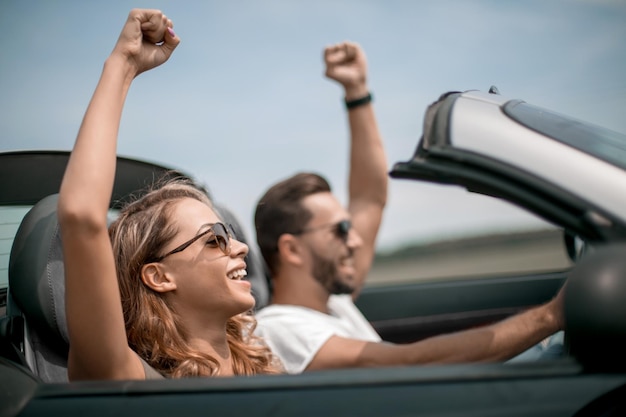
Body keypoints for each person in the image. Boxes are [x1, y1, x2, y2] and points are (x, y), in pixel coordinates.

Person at [253, 42, 566, 374]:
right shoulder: (279, 328)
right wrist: (553, 316)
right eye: (341, 230)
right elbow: (407, 363)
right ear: (292, 250)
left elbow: (369, 198)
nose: (356, 239)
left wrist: (356, 91)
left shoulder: (333, 304)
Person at [58, 9, 280, 380]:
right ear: (158, 276)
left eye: (229, 235)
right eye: (214, 240)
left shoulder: (260, 364)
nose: (240, 247)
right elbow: (82, 216)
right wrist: (123, 65)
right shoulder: (126, 377)